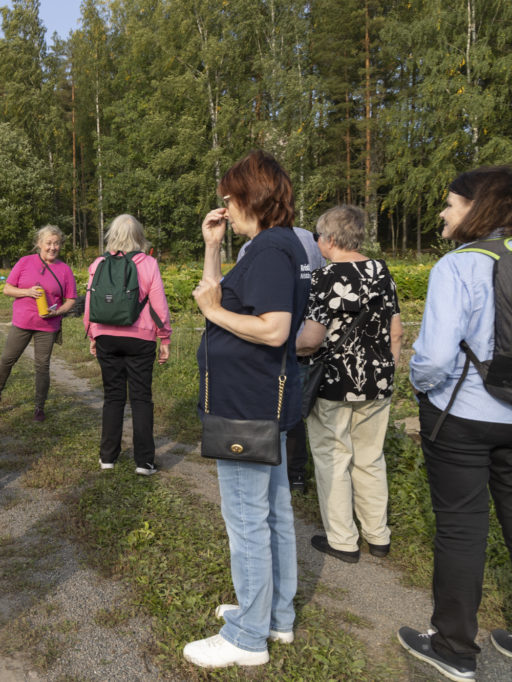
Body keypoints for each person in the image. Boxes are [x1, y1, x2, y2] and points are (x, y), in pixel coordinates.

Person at [185, 150, 310, 669]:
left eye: (230, 197)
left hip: (246, 405)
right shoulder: (275, 246)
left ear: (250, 196)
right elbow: (224, 297)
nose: (225, 206)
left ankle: (247, 636)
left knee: (246, 520)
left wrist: (211, 311)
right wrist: (213, 247)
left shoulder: (270, 250)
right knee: (273, 512)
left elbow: (275, 329)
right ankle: (274, 614)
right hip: (264, 400)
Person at [398, 166, 512, 681]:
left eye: (451, 203)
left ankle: (453, 648)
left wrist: (420, 381)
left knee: (463, 530)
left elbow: (438, 355)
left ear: (477, 208)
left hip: (461, 413)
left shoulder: (459, 267)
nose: (443, 212)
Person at [296, 205, 402, 563]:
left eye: (317, 235)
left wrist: (281, 346)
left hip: (334, 383)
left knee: (333, 458)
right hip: (378, 380)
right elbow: (397, 332)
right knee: (371, 458)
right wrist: (386, 372)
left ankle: (343, 540)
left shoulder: (324, 278)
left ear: (330, 239)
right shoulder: (381, 272)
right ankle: (378, 536)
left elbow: (311, 339)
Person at [240, 227, 326, 491]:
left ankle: (267, 465)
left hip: (272, 339)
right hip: (306, 333)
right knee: (297, 408)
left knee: (271, 405)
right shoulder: (309, 239)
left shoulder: (255, 246)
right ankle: (296, 473)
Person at [83, 214, 171, 474]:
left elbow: (90, 304)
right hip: (140, 337)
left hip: (106, 337)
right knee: (141, 398)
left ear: (113, 235)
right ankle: (144, 462)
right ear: (139, 236)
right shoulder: (149, 263)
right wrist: (164, 337)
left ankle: (108, 457)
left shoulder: (98, 263)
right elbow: (159, 306)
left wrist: (92, 335)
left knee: (113, 397)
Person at [0, 225, 78, 421]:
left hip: (48, 326)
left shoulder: (64, 270)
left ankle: (39, 407)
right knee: (7, 359)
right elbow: (7, 289)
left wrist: (59, 311)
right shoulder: (25, 262)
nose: (53, 247)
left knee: (42, 366)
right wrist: (27, 292)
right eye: (49, 243)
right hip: (23, 322)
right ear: (39, 244)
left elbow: (71, 299)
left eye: (57, 244)